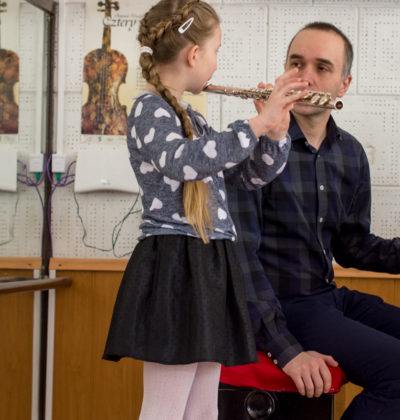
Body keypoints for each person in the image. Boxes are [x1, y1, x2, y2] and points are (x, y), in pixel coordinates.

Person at [228, 22, 400, 420]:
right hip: (281, 307)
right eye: (296, 64)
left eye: (322, 67)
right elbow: (239, 262)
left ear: (343, 85)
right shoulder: (253, 149)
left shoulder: (349, 153)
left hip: (327, 298)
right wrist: (285, 349)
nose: (305, 77)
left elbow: (353, 246)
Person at [102, 1, 308, 419]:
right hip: (175, 263)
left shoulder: (193, 118)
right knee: (165, 409)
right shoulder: (148, 109)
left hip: (210, 261)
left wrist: (275, 131)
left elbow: (248, 176)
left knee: (202, 409)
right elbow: (182, 161)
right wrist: (255, 124)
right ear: (194, 54)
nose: (217, 62)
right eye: (216, 50)